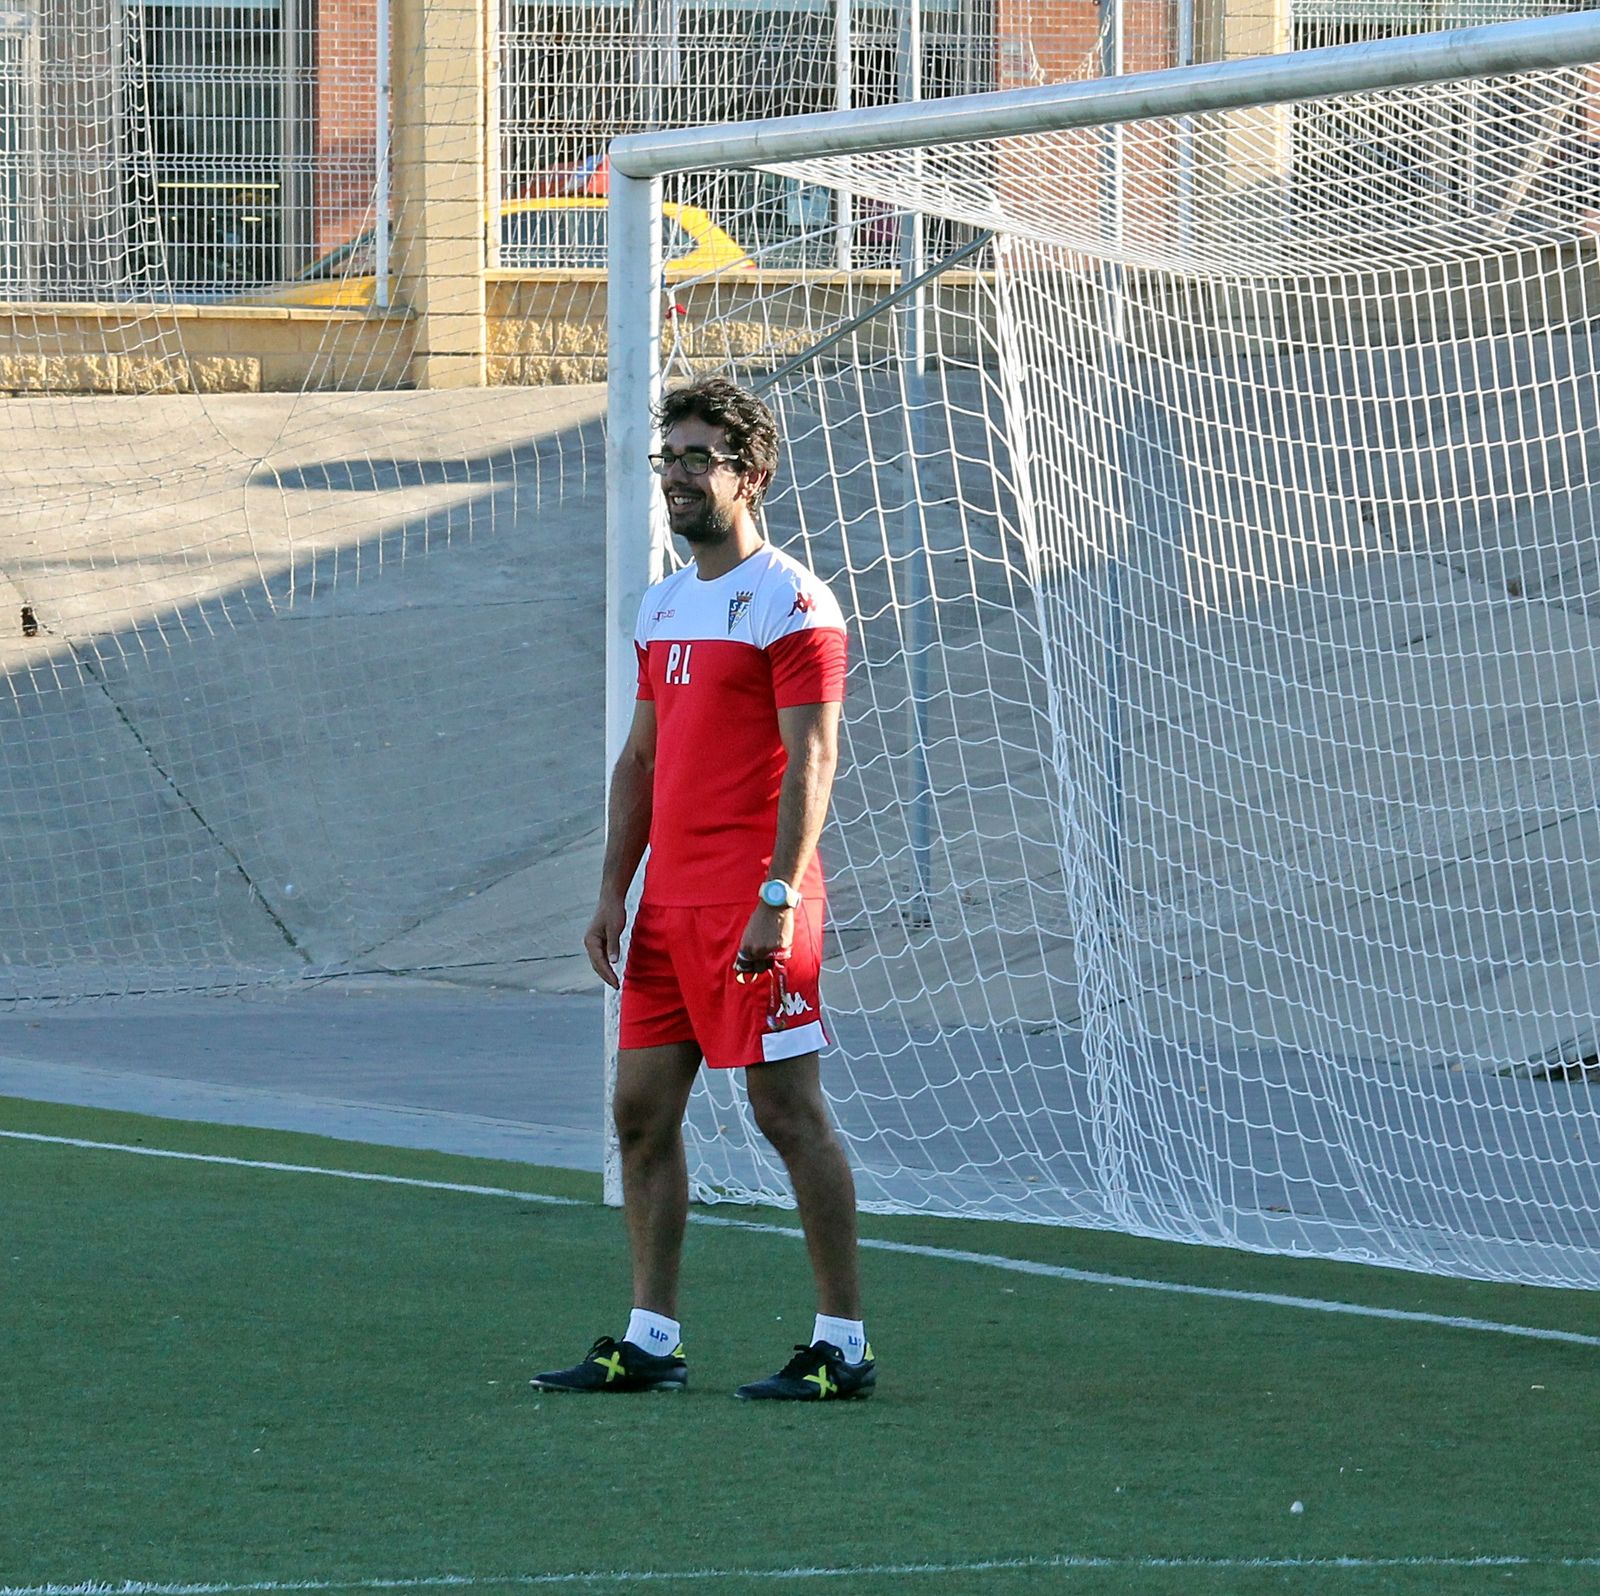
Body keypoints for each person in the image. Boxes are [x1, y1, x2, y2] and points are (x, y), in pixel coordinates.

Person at [532, 375, 872, 1402]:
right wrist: (609, 892)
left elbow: (813, 762)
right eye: (667, 460)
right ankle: (650, 1336)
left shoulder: (792, 600)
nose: (677, 478)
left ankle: (842, 1344)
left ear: (750, 477)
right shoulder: (664, 602)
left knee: (784, 1112)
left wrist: (777, 894)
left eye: (697, 460)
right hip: (668, 908)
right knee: (638, 1112)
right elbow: (641, 762)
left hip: (754, 901)